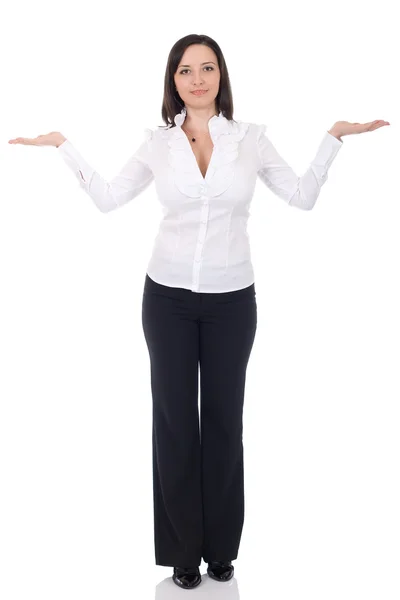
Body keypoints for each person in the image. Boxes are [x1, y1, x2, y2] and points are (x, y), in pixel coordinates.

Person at [8, 33, 390, 591]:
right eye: (186, 70)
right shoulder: (157, 145)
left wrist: (334, 136)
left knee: (223, 423)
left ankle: (221, 553)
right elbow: (111, 198)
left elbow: (302, 196)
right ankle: (183, 552)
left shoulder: (251, 140)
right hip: (166, 299)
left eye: (207, 68)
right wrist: (64, 146)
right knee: (175, 425)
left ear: (221, 76)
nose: (197, 79)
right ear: (173, 81)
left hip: (233, 301)